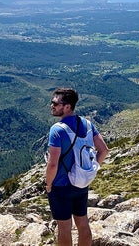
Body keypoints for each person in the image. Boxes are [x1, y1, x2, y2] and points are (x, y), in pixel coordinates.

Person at [45, 88, 109, 246]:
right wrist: (91, 171)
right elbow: (104, 150)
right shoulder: (87, 124)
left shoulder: (57, 130)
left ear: (67, 107)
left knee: (65, 228)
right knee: (82, 223)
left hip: (61, 185)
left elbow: (52, 164)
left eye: (55, 103)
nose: (51, 106)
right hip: (81, 183)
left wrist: (48, 184)